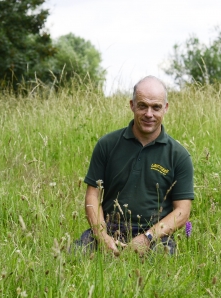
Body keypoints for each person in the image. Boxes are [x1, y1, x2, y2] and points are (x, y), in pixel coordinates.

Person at [75, 75, 194, 256]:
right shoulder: (107, 145)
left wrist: (147, 237)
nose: (149, 114)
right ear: (132, 105)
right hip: (110, 228)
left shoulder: (178, 155)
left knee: (162, 264)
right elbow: (93, 195)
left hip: (155, 234)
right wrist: (102, 236)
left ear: (166, 108)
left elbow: (183, 211)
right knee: (73, 258)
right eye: (142, 106)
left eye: (156, 107)